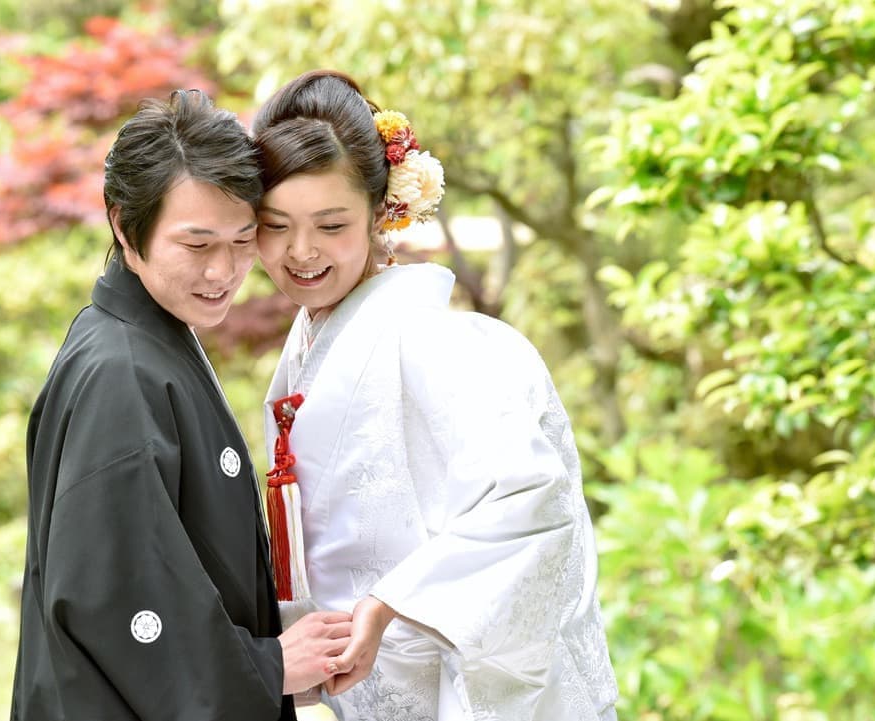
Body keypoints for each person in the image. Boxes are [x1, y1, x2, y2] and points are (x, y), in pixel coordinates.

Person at [250, 70, 619, 721]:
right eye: (275, 225)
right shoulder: (315, 338)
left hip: (430, 675)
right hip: (364, 684)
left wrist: (392, 602)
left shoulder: (432, 340)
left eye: (331, 225)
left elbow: (531, 497)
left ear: (381, 213)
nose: (299, 251)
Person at [11, 89, 352, 721]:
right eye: (196, 246)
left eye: (243, 240)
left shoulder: (146, 339)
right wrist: (268, 666)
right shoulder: (122, 371)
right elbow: (115, 596)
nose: (224, 271)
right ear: (122, 224)